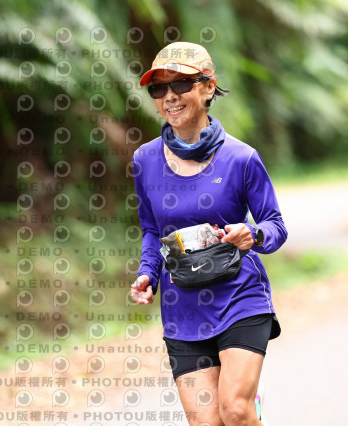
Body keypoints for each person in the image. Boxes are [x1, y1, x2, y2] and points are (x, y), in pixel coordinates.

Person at [130, 41, 287, 426]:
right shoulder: (145, 160)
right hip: (182, 305)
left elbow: (275, 226)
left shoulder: (241, 158)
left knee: (234, 410)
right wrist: (148, 274)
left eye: (181, 84)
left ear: (208, 87)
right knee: (206, 422)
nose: (169, 96)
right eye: (158, 88)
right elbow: (152, 230)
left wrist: (252, 235)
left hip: (239, 296)